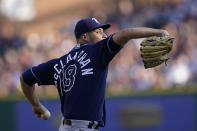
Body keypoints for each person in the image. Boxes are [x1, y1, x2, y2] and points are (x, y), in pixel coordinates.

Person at [20, 17, 169, 131]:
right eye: (98, 32)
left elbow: (26, 78)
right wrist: (158, 32)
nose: (104, 36)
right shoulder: (96, 51)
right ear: (85, 36)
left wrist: (36, 105)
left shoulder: (59, 63)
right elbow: (125, 33)